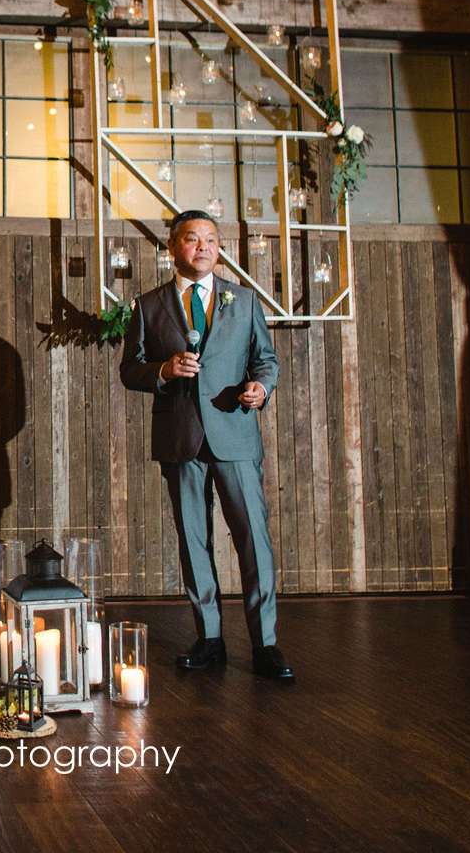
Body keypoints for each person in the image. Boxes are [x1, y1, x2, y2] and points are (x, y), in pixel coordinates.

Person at [119, 210, 293, 681]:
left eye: (211, 240)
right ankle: (210, 637)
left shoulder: (245, 301)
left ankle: (266, 643)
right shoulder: (148, 305)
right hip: (180, 438)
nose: (203, 247)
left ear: (219, 249)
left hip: (235, 432)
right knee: (194, 541)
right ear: (173, 247)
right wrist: (162, 371)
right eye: (192, 239)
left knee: (253, 539)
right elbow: (129, 369)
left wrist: (261, 388)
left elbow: (266, 361)